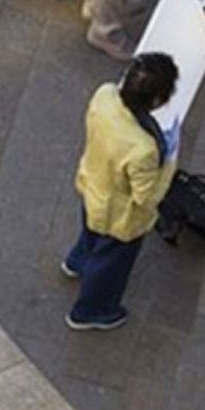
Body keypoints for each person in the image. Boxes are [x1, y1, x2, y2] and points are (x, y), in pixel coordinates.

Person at [62, 53, 179, 331]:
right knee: (110, 264)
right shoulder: (143, 150)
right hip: (119, 216)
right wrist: (169, 165)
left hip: (92, 186)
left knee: (90, 233)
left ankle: (77, 262)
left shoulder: (105, 96)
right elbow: (145, 198)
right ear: (155, 101)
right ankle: (91, 310)